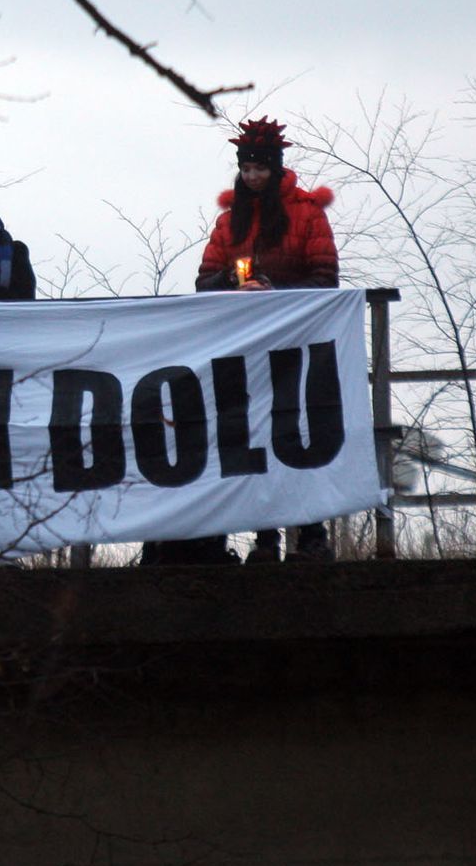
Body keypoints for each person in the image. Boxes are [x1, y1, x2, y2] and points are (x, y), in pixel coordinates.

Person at [140, 116, 340, 566]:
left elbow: (325, 279)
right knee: (250, 436)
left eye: (259, 169)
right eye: (246, 169)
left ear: (275, 168)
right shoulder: (229, 222)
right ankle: (265, 539)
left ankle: (310, 533)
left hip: (295, 343)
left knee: (297, 432)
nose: (252, 177)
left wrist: (276, 292)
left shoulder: (308, 214)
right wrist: (232, 279)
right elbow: (203, 281)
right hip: (242, 349)